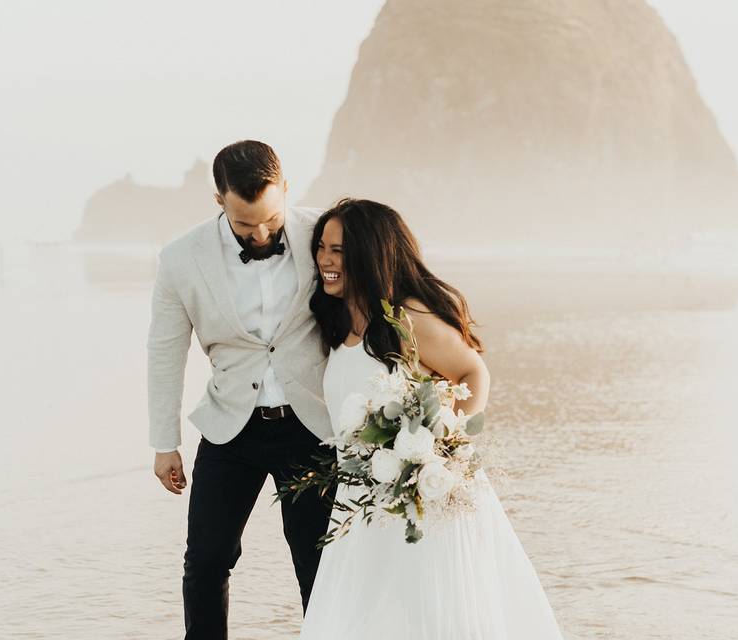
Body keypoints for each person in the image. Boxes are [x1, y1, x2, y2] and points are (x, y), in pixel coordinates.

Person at [299, 198, 565, 639]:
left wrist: (441, 451)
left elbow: (472, 371)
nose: (325, 260)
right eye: (321, 247)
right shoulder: (339, 318)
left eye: (339, 251)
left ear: (370, 252)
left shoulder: (405, 317)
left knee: (430, 616)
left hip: (422, 500)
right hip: (360, 502)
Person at [147, 140, 334, 640]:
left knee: (318, 563)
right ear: (219, 200)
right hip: (232, 430)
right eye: (246, 223)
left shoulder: (326, 234)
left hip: (313, 428)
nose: (261, 232)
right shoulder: (181, 259)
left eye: (271, 219)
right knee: (206, 560)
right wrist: (165, 444)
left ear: (286, 190)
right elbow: (165, 352)